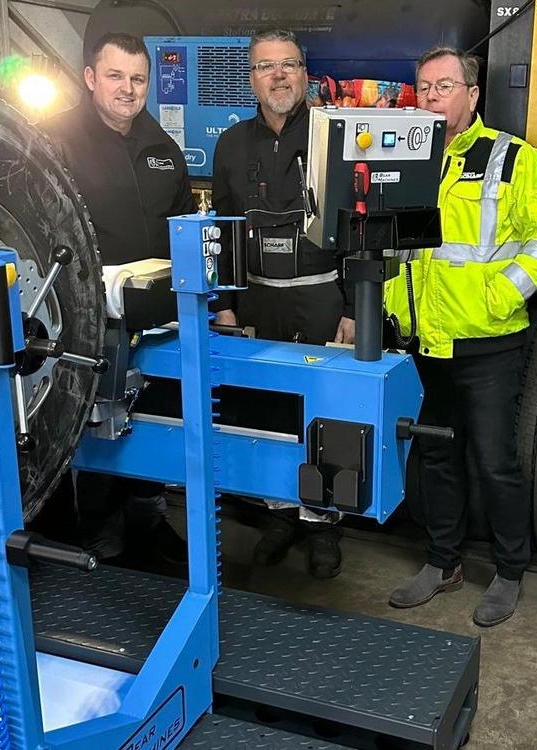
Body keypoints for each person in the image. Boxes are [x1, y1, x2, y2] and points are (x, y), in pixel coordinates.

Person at [384, 46, 537, 627]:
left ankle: (510, 570)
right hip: (424, 340)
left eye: (445, 86)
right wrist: (391, 306)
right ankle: (443, 562)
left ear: (472, 94)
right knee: (436, 456)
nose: (432, 97)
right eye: (424, 87)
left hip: (487, 342)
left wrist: (499, 295)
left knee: (494, 462)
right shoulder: (405, 157)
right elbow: (390, 245)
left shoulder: (513, 159)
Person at [38, 32, 194, 572]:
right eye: (115, 76)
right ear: (89, 78)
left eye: (138, 79)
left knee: (152, 416)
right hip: (83, 319)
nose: (128, 89)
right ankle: (102, 536)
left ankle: (149, 522)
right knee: (95, 423)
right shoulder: (55, 141)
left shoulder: (162, 147)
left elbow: (181, 226)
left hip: (156, 316)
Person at [211, 29, 352, 579]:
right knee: (266, 410)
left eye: (288, 64)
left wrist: (352, 308)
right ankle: (278, 515)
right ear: (251, 79)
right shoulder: (231, 145)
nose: (278, 75)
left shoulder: (336, 136)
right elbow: (222, 235)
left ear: (305, 74)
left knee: (325, 411)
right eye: (266, 66)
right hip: (256, 303)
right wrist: (225, 304)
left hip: (321, 298)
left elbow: (361, 227)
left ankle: (323, 523)